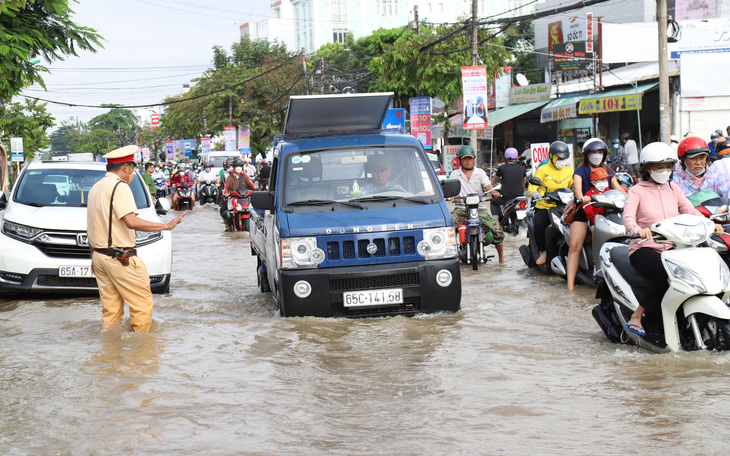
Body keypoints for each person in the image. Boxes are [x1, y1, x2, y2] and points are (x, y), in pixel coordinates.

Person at [622, 142, 723, 337]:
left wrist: (710, 224)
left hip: (674, 248)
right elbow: (628, 218)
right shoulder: (637, 191)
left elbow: (691, 211)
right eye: (659, 167)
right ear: (647, 168)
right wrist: (638, 230)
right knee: (663, 276)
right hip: (645, 247)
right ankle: (637, 316)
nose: (664, 171)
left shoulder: (674, 189)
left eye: (668, 166)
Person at [87, 145, 185, 333]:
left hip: (99, 257)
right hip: (119, 257)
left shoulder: (95, 187)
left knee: (111, 311)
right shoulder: (119, 187)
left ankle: (109, 352)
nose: (132, 171)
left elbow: (91, 225)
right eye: (132, 167)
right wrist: (166, 226)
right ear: (125, 167)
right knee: (141, 304)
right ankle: (142, 355)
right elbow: (131, 221)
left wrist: (93, 256)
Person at [566, 138, 626, 290]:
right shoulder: (580, 171)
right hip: (583, 210)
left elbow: (618, 188)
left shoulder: (609, 172)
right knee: (574, 246)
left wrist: (632, 195)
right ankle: (570, 286)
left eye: (600, 152)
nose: (597, 155)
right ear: (586, 154)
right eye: (593, 152)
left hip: (605, 211)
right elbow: (578, 189)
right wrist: (581, 198)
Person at [449, 145, 505, 263]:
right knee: (447, 228)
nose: (468, 161)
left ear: (474, 159)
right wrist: (450, 196)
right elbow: (450, 189)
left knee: (497, 232)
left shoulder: (480, 173)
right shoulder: (455, 174)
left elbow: (488, 186)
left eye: (470, 158)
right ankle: (449, 255)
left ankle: (501, 259)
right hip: (461, 209)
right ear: (460, 160)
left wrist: (493, 191)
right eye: (465, 159)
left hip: (479, 208)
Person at [528, 141, 574, 266]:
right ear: (552, 156)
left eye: (564, 158)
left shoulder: (569, 171)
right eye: (559, 158)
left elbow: (573, 186)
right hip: (544, 205)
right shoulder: (542, 169)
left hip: (563, 205)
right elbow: (532, 185)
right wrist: (535, 193)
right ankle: (543, 252)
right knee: (539, 225)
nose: (561, 160)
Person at [489, 147, 526, 222]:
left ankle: (497, 224)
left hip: (506, 197)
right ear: (516, 157)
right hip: (520, 196)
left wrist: (488, 186)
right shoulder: (522, 168)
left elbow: (494, 181)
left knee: (493, 202)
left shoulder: (502, 168)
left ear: (506, 157)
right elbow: (524, 182)